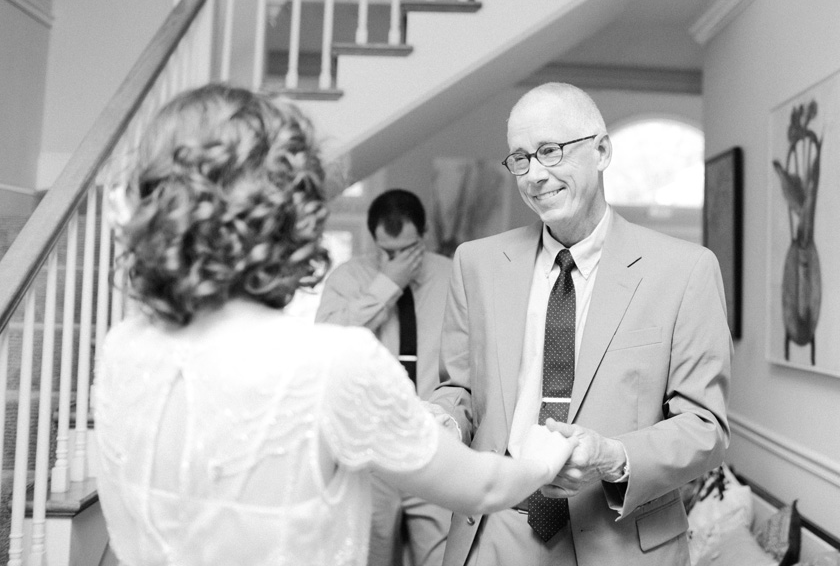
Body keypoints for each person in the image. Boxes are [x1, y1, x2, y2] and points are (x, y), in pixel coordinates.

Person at [93, 83, 578, 566]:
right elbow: (484, 485)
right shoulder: (330, 362)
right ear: (289, 212)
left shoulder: (122, 347)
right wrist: (545, 454)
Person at [429, 82, 731, 566]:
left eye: (550, 151)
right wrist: (441, 420)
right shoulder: (476, 263)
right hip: (496, 529)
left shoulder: (685, 270)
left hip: (621, 536)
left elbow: (704, 428)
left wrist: (611, 455)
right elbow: (460, 391)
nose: (535, 175)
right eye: (520, 159)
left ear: (602, 150)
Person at [315, 189, 452, 566]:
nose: (395, 259)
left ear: (423, 234)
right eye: (386, 250)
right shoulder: (348, 278)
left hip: (435, 445)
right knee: (371, 557)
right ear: (374, 238)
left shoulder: (452, 275)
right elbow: (328, 342)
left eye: (407, 249)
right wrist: (388, 282)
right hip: (369, 451)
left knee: (440, 558)